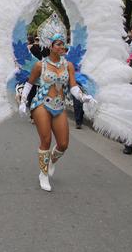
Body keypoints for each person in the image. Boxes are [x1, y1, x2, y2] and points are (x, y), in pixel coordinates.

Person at [19, 15, 95, 192]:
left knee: (63, 144)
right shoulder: (40, 65)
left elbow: (73, 87)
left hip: (59, 106)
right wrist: (23, 102)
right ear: (50, 46)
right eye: (59, 44)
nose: (63, 47)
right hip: (41, 104)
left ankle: (51, 161)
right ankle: (43, 174)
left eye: (64, 43)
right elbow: (30, 83)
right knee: (46, 139)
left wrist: (83, 97)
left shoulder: (68, 65)